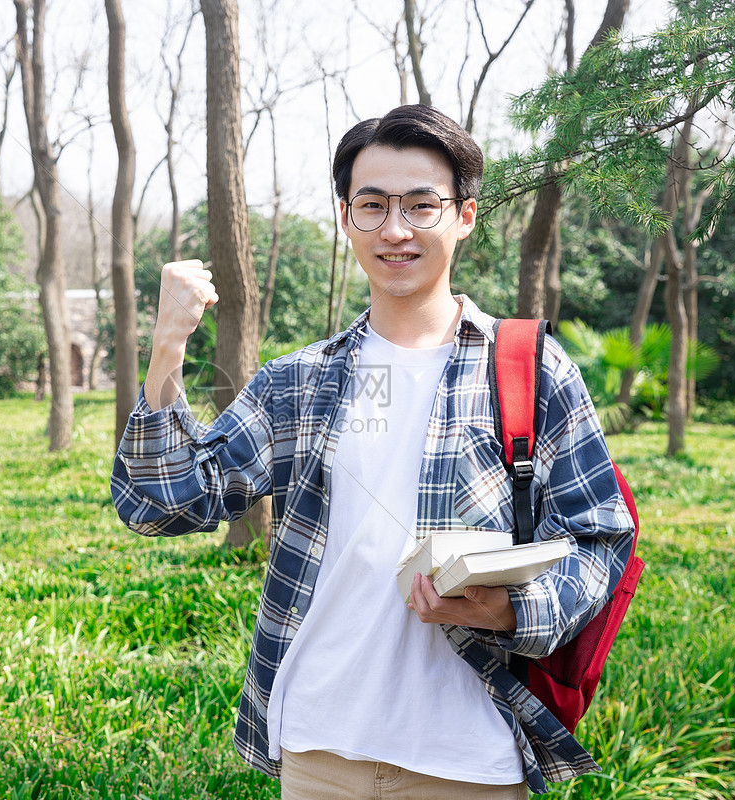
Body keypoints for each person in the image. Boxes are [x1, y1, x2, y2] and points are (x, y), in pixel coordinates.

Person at [111, 104, 634, 798]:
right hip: (319, 749)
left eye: (421, 206)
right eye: (373, 205)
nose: (395, 229)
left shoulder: (529, 368)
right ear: (345, 216)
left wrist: (510, 610)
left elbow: (600, 541)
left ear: (465, 215)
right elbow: (161, 506)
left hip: (466, 758)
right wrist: (168, 348)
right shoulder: (300, 381)